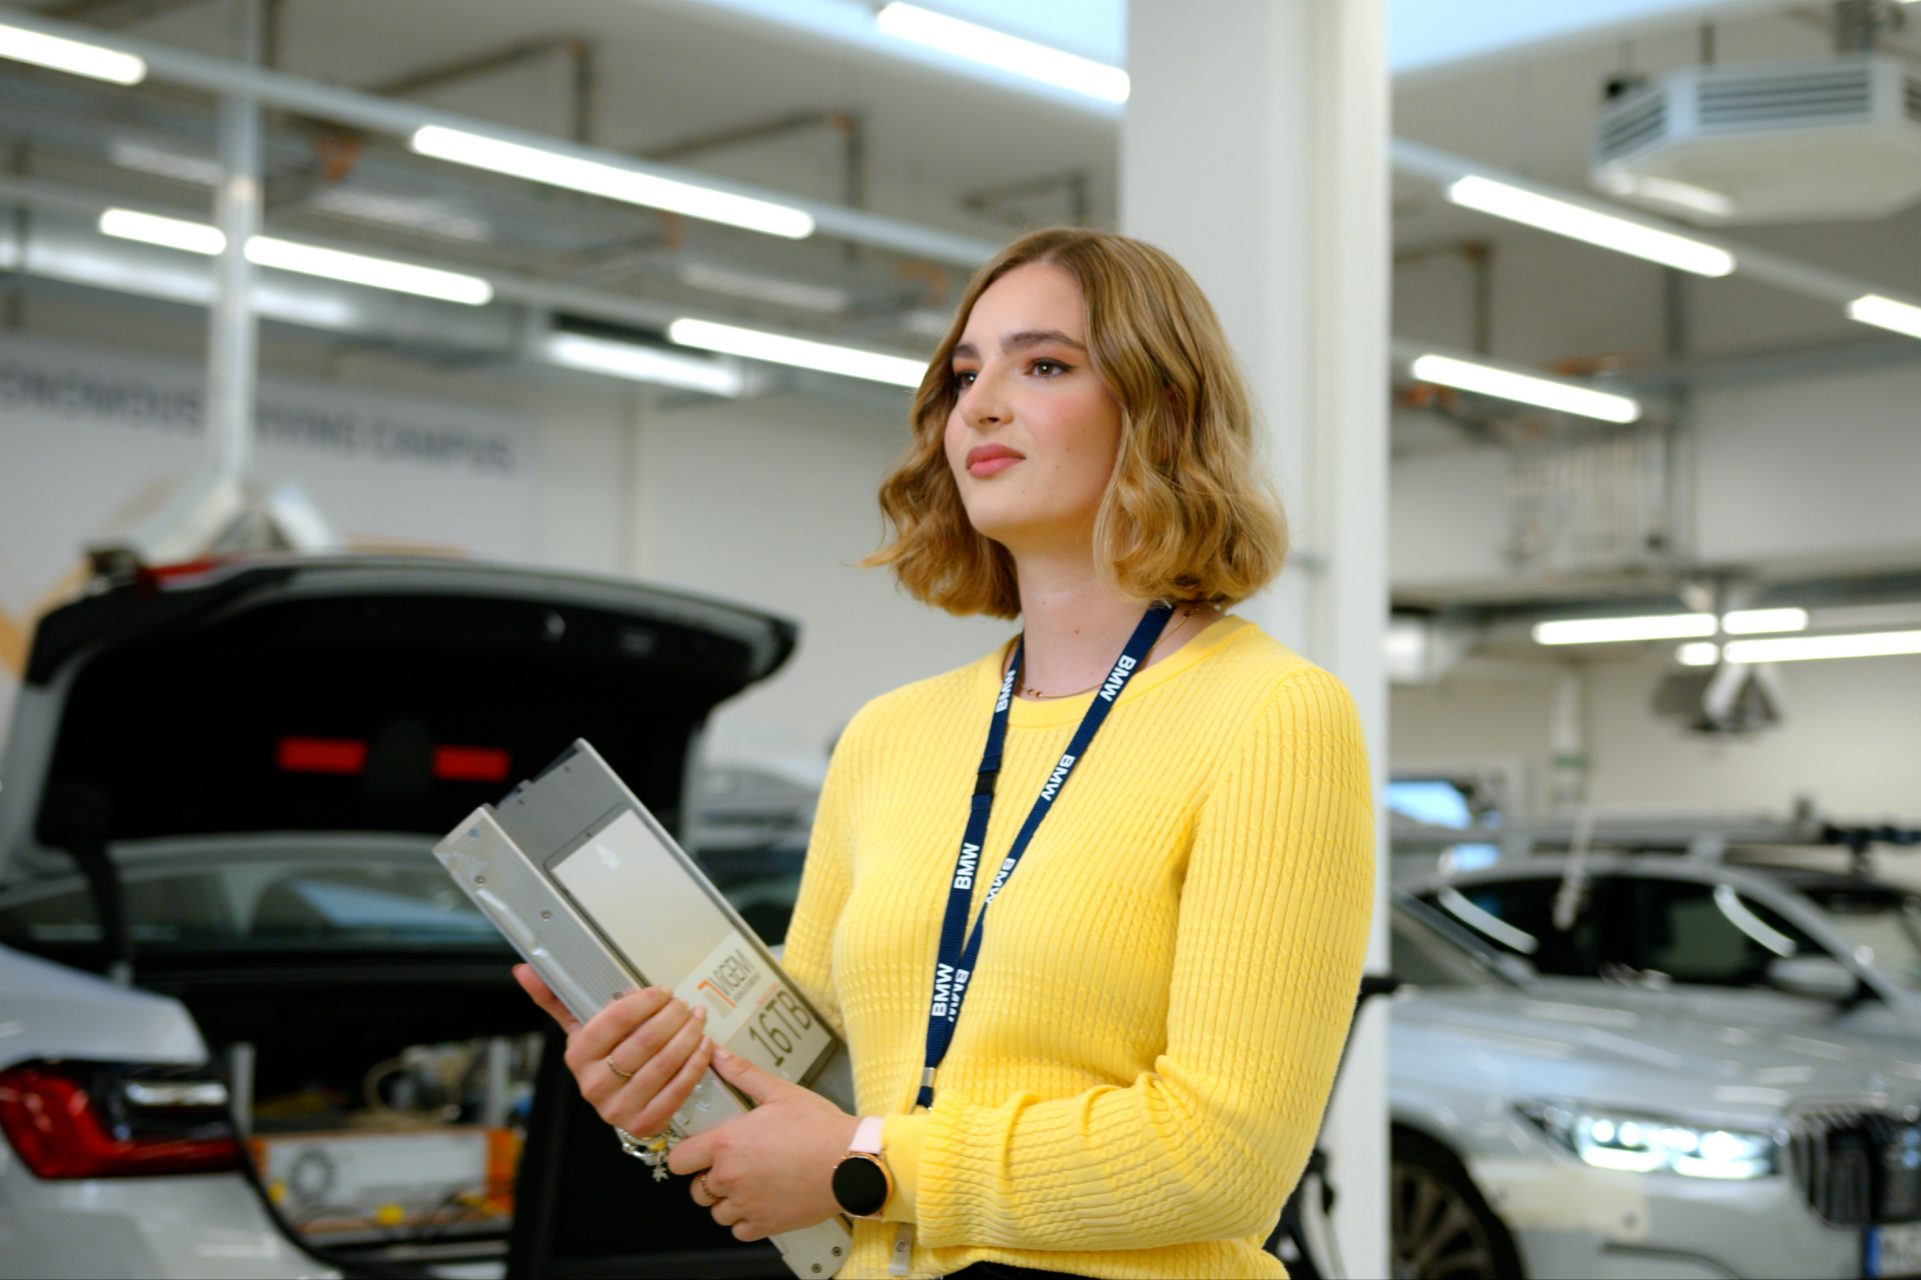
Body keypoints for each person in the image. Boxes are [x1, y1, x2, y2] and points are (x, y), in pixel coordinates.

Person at [515, 227, 1375, 1279]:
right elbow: (816, 1081)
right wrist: (665, 1087)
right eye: (965, 373)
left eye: (1044, 364)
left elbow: (1223, 1155)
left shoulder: (1272, 714)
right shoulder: (890, 735)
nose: (982, 402)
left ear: (1161, 411)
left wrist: (868, 1162)